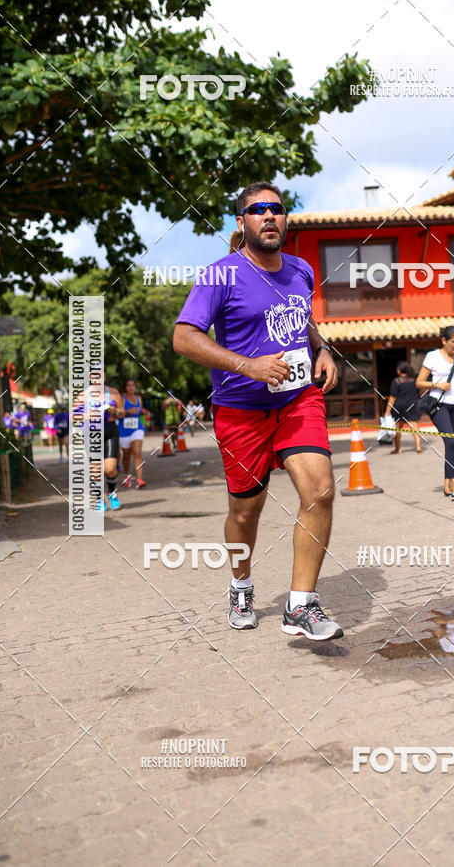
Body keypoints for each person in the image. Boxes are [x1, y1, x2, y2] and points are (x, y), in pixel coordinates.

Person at [173, 181, 343, 641]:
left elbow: (303, 318)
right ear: (241, 221)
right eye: (258, 209)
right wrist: (248, 365)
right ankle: (240, 585)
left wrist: (322, 348)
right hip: (240, 410)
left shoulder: (302, 270)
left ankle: (301, 606)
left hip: (297, 400)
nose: (269, 215)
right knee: (246, 513)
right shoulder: (220, 275)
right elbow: (184, 337)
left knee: (321, 491)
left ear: (285, 219)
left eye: (277, 208)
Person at [416, 326, 454, 501]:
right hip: (439, 404)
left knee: (453, 445)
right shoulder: (432, 356)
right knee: (450, 441)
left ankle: (446, 482)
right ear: (443, 340)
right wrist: (437, 385)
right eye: (453, 342)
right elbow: (419, 382)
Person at [73, 373, 124, 510]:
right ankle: (99, 499)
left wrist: (115, 410)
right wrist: (86, 415)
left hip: (110, 430)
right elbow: (73, 417)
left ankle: (112, 493)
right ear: (90, 376)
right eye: (94, 374)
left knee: (110, 469)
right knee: (95, 470)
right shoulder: (83, 395)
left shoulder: (113, 393)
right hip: (91, 433)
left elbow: (122, 413)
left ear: (105, 376)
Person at [384, 361, 422, 454]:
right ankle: (418, 447)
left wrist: (387, 411)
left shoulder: (397, 381)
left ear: (400, 370)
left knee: (397, 428)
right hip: (412, 406)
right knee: (414, 427)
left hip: (399, 407)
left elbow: (392, 397)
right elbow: (418, 393)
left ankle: (398, 449)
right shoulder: (414, 381)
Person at [119, 379, 149, 489]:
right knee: (126, 456)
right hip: (123, 430)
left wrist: (144, 412)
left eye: (133, 385)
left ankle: (139, 479)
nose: (131, 387)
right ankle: (127, 476)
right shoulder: (121, 398)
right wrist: (127, 411)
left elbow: (139, 411)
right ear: (125, 387)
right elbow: (118, 414)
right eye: (128, 385)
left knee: (137, 453)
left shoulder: (138, 398)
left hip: (137, 428)